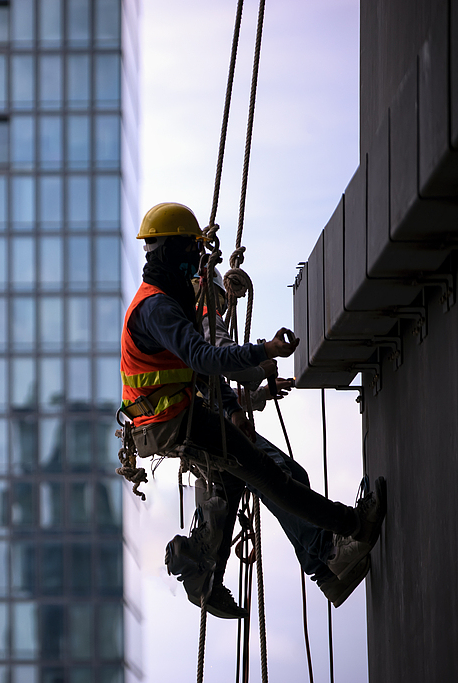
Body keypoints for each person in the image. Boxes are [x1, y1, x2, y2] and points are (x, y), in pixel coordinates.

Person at [119, 202, 386, 619]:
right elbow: (204, 358)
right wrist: (263, 353)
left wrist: (233, 403)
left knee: (238, 478)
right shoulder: (160, 308)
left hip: (177, 418)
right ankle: (349, 533)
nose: (197, 260)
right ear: (172, 251)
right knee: (273, 476)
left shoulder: (171, 299)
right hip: (172, 423)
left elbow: (197, 373)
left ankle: (207, 575)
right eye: (190, 249)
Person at [165, 267, 369, 610]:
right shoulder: (201, 312)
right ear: (207, 288)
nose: (223, 307)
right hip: (203, 427)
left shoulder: (180, 322)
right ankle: (329, 552)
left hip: (200, 425)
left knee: (290, 477)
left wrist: (255, 396)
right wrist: (261, 361)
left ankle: (327, 574)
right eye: (220, 297)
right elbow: (222, 359)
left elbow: (211, 387)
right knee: (277, 477)